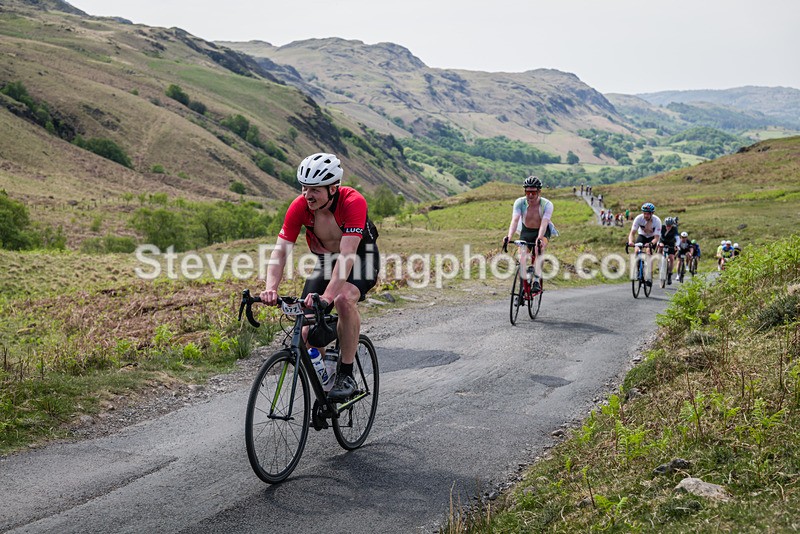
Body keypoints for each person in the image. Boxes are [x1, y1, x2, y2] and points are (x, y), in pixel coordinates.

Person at [261, 153, 379, 401]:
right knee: (306, 330)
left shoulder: (353, 201)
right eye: (304, 188)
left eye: (314, 189)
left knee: (343, 299)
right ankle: (324, 386)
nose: (307, 195)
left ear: (333, 188)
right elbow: (280, 251)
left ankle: (345, 373)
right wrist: (270, 287)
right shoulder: (300, 207)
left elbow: (347, 256)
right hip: (327, 261)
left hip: (361, 257)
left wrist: (327, 296)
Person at [503, 176, 555, 294]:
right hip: (526, 231)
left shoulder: (547, 204)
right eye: (528, 192)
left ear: (539, 192)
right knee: (522, 255)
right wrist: (509, 237)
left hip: (542, 230)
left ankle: (536, 279)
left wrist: (539, 238)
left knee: (538, 248)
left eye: (533, 192)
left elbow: (544, 222)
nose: (530, 195)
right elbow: (515, 220)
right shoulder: (519, 202)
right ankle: (523, 283)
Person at [627, 203, 662, 286]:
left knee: (649, 252)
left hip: (652, 238)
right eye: (644, 213)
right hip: (642, 236)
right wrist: (630, 241)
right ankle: (637, 270)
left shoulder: (657, 221)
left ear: (652, 213)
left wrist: (650, 243)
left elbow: (656, 238)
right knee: (636, 250)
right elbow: (632, 233)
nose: (645, 215)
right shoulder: (638, 218)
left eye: (648, 213)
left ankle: (649, 276)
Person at [657, 217, 679, 284]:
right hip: (662, 241)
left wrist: (677, 245)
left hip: (671, 243)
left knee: (671, 258)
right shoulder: (662, 227)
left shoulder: (674, 229)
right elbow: (658, 236)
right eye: (667, 225)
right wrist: (658, 243)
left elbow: (677, 238)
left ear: (672, 225)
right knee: (659, 249)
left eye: (670, 226)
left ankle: (669, 274)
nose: (668, 227)